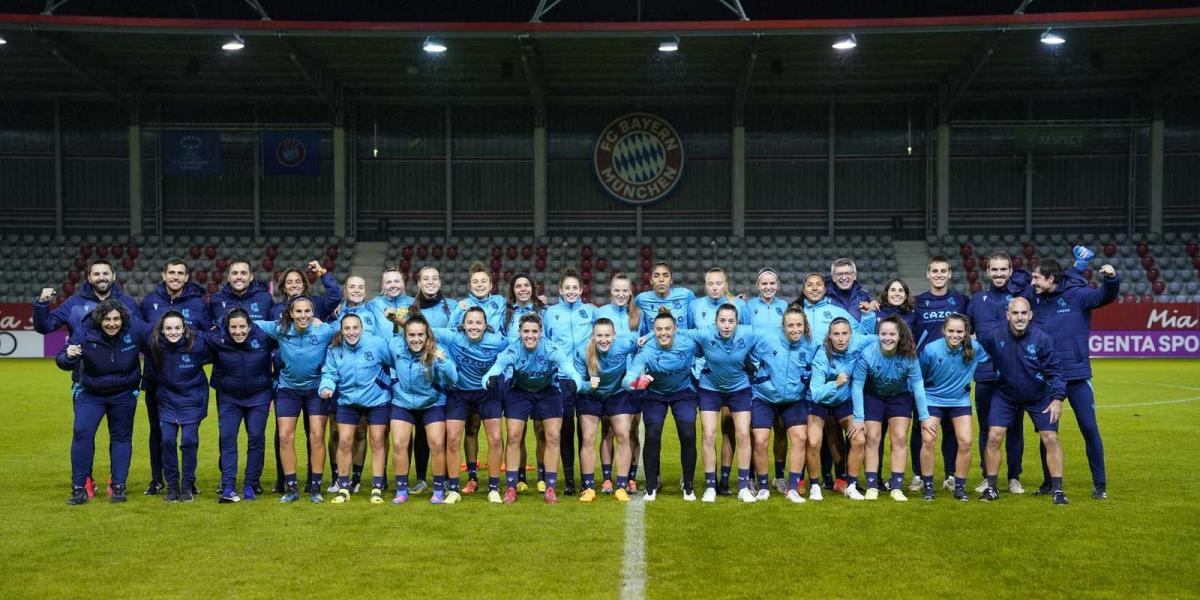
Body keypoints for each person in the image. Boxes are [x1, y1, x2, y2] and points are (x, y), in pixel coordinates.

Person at [1031, 255, 1120, 499]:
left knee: (1089, 429)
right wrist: (1078, 267)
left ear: (1051, 278)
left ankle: (1100, 485)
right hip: (1048, 378)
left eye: (1036, 277)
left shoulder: (1078, 296)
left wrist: (1111, 279)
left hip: (1077, 376)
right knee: (1047, 433)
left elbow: (1105, 296)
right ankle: (1049, 482)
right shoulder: (1035, 300)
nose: (1032, 282)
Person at [55, 300, 152, 505]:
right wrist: (68, 356)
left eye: (116, 319)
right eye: (107, 319)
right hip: (91, 393)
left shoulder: (135, 328)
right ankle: (79, 487)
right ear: (99, 319)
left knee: (121, 438)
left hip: (124, 394)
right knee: (82, 433)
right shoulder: (84, 332)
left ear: (123, 319)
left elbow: (159, 343)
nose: (112, 324)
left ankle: (118, 486)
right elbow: (62, 359)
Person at [977, 297, 1068, 505]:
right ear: (1008, 315)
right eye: (1015, 313)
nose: (1020, 317)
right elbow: (972, 354)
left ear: (1030, 315)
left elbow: (1056, 372)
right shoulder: (993, 336)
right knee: (994, 436)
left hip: (1039, 396)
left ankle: (1058, 491)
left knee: (1050, 437)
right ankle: (991, 488)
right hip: (1005, 395)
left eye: (1024, 313)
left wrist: (1057, 399)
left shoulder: (1043, 339)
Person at [486, 313, 583, 504]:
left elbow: (571, 371)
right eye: (526, 331)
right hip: (519, 392)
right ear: (519, 333)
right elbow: (494, 370)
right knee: (514, 436)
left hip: (548, 392)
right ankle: (511, 487)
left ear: (541, 333)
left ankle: (550, 488)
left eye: (534, 331)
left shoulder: (551, 349)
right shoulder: (513, 350)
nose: (530, 335)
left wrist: (576, 383)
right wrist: (490, 380)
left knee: (553, 436)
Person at [255, 296, 338, 503]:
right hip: (288, 390)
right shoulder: (281, 329)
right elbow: (252, 323)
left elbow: (348, 326)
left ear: (313, 313)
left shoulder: (323, 330)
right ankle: (291, 488)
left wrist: (341, 311)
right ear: (291, 313)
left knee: (317, 436)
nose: (303, 315)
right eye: (298, 311)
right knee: (284, 436)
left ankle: (316, 488)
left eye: (307, 311)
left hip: (316, 391)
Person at [138, 258, 209, 496]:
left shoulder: (198, 303)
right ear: (164, 275)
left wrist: (191, 360)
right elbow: (140, 335)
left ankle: (188, 481)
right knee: (159, 433)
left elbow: (207, 336)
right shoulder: (149, 302)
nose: (175, 277)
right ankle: (158, 479)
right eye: (171, 272)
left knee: (188, 438)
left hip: (187, 377)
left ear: (186, 277)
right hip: (156, 377)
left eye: (180, 273)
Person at [964, 252, 1032, 494]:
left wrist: (1017, 281)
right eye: (995, 269)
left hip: (1014, 374)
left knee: (1014, 427)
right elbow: (966, 334)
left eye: (1004, 269)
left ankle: (1014, 477)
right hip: (984, 374)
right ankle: (987, 476)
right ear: (987, 272)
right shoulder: (977, 300)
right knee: (985, 427)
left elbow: (1029, 276)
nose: (999, 274)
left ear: (1010, 271)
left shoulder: (1020, 299)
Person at [850, 315, 933, 502]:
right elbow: (857, 386)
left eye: (892, 334)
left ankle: (896, 487)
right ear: (878, 334)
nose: (887, 338)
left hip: (899, 396)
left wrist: (925, 417)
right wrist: (858, 418)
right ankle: (872, 486)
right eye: (883, 334)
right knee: (872, 437)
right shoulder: (868, 354)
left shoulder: (908, 355)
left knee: (900, 437)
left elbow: (918, 386)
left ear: (899, 336)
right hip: (873, 396)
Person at [906, 256, 971, 493]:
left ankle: (951, 475)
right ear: (928, 274)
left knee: (951, 429)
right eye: (935, 271)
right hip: (924, 374)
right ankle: (918, 475)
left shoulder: (961, 301)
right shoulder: (917, 302)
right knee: (920, 427)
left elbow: (970, 334)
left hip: (953, 375)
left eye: (943, 271)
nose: (939, 275)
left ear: (950, 274)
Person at [622, 308, 701, 502]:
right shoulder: (647, 350)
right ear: (654, 330)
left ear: (675, 329)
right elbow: (627, 379)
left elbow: (708, 338)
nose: (663, 333)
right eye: (658, 329)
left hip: (684, 392)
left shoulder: (688, 343)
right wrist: (635, 383)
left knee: (688, 434)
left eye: (668, 328)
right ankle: (651, 486)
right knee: (652, 434)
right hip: (655, 394)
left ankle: (688, 485)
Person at [433, 306, 508, 500]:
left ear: (485, 325)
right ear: (463, 325)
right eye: (470, 322)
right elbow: (424, 330)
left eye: (478, 323)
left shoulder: (497, 341)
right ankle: (454, 490)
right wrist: (398, 320)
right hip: (459, 392)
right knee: (452, 439)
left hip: (487, 393)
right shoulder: (453, 336)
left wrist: (502, 375)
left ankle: (493, 488)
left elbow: (514, 350)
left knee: (495, 439)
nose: (474, 326)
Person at [318, 314, 392, 505]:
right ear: (341, 331)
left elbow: (394, 361)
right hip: (348, 401)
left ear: (362, 329)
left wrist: (393, 382)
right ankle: (344, 488)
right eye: (347, 328)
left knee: (377, 441)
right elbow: (329, 373)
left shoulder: (377, 344)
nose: (352, 332)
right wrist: (326, 387)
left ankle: (376, 488)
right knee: (344, 442)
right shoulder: (335, 349)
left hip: (377, 400)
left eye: (355, 328)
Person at [688, 303, 758, 504]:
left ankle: (743, 487)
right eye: (722, 321)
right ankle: (710, 486)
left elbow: (772, 336)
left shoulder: (748, 333)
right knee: (708, 434)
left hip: (739, 388)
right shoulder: (705, 333)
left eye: (731, 321)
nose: (726, 325)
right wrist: (648, 336)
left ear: (738, 322)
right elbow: (677, 332)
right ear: (715, 322)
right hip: (710, 389)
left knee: (743, 434)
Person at [449, 262, 508, 495]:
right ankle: (472, 477)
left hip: (491, 379)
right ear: (469, 285)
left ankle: (496, 485)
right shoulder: (462, 306)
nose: (480, 285)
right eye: (475, 281)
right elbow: (451, 334)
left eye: (484, 281)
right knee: (471, 429)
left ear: (491, 285)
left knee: (496, 436)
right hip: (465, 378)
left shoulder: (500, 302)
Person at [918, 314, 989, 501]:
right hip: (933, 399)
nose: (955, 335)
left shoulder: (975, 348)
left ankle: (960, 488)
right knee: (928, 440)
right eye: (951, 331)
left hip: (960, 401)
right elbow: (919, 377)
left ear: (966, 332)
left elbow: (991, 361)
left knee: (966, 442)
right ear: (944, 331)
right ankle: (928, 487)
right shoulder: (931, 349)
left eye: (959, 331)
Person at [748, 305, 814, 504]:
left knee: (800, 438)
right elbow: (748, 361)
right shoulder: (767, 339)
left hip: (794, 399)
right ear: (783, 326)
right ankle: (763, 487)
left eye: (799, 325)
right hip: (764, 397)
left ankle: (792, 488)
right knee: (760, 440)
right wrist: (759, 381)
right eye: (790, 325)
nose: (795, 329)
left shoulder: (811, 345)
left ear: (805, 325)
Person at [145, 311, 214, 503]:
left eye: (177, 328)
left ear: (184, 329)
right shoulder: (155, 345)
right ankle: (173, 486)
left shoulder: (198, 344)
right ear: (162, 330)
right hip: (167, 400)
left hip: (192, 399)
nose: (173, 332)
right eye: (168, 328)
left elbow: (219, 351)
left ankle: (187, 486)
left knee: (189, 441)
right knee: (167, 441)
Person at [388, 315, 458, 504]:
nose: (416, 339)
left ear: (427, 335)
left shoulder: (437, 351)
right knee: (399, 444)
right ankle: (401, 490)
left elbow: (453, 379)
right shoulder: (395, 346)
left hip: (432, 402)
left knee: (436, 443)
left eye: (420, 335)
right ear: (405, 336)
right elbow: (387, 362)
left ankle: (438, 490)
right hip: (402, 401)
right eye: (411, 335)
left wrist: (443, 361)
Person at [207, 308, 275, 502]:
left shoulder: (264, 337)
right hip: (228, 398)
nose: (238, 331)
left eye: (242, 327)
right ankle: (228, 486)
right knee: (227, 439)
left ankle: (250, 484)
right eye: (233, 327)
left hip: (259, 397)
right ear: (227, 327)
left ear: (250, 325)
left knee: (256, 439)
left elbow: (287, 340)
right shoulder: (217, 339)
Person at [691, 267, 746, 495]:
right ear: (705, 285)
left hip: (734, 376)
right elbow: (688, 334)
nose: (714, 287)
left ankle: (727, 479)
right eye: (710, 283)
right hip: (705, 376)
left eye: (719, 283)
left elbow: (745, 336)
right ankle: (711, 482)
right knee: (709, 432)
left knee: (730, 428)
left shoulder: (739, 305)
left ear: (726, 284)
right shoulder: (695, 305)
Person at [542, 268, 596, 496]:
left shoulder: (591, 311)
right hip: (561, 380)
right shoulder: (550, 313)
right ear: (560, 290)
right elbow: (544, 343)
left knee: (586, 432)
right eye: (567, 288)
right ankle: (570, 481)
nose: (571, 291)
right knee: (565, 431)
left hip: (585, 378)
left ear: (581, 290)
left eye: (575, 287)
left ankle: (587, 480)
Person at [577, 317, 642, 501]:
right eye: (599, 336)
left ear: (614, 336)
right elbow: (577, 382)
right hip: (591, 395)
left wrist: (636, 372)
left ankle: (621, 487)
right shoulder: (582, 352)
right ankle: (589, 488)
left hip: (617, 393)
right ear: (593, 336)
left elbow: (645, 344)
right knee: (588, 438)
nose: (603, 340)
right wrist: (587, 385)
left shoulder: (625, 344)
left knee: (623, 436)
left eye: (607, 335)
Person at [808, 318, 873, 501]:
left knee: (859, 439)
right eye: (836, 334)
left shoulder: (857, 343)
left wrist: (869, 315)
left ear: (851, 334)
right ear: (829, 336)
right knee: (813, 442)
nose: (841, 338)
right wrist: (835, 384)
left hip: (843, 402)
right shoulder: (822, 355)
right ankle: (814, 486)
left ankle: (850, 485)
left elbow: (880, 338)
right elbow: (816, 393)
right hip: (821, 403)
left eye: (844, 333)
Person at [594, 272, 643, 493]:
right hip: (610, 380)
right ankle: (607, 478)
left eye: (625, 290)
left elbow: (646, 340)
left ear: (630, 292)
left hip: (634, 379)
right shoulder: (600, 312)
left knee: (631, 431)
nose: (621, 294)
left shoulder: (639, 314)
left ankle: (630, 477)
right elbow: (593, 343)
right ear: (611, 291)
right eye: (617, 290)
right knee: (607, 430)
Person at [503, 272, 545, 492]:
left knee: (541, 430)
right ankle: (519, 477)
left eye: (526, 285)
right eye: (518, 286)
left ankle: (542, 476)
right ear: (513, 290)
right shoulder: (505, 313)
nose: (522, 289)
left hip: (540, 377)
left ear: (532, 288)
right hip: (513, 380)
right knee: (516, 433)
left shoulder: (543, 311)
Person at [35, 258, 139, 336]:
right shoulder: (73, 304)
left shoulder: (128, 303)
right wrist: (42, 303)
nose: (101, 277)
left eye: (106, 273)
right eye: (96, 274)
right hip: (83, 360)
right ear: (89, 278)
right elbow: (44, 328)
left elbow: (141, 334)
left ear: (113, 276)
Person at [269, 261, 342, 322]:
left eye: (298, 282)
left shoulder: (317, 303)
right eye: (289, 282)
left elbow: (335, 295)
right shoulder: (275, 311)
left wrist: (321, 272)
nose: (294, 285)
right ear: (284, 288)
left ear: (303, 286)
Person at [634, 261, 694, 333]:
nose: (661, 280)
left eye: (665, 275)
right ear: (651, 281)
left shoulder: (686, 295)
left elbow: (694, 322)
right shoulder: (641, 299)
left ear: (671, 280)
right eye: (656, 276)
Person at [208, 258, 274, 323]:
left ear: (251, 277)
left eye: (243, 273)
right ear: (228, 278)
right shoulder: (216, 300)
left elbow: (273, 327)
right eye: (234, 273)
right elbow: (209, 327)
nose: (239, 277)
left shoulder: (265, 298)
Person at [825, 258, 875, 322]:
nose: (844, 277)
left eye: (848, 273)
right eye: (839, 274)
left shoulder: (865, 296)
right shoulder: (824, 296)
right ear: (833, 277)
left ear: (854, 276)